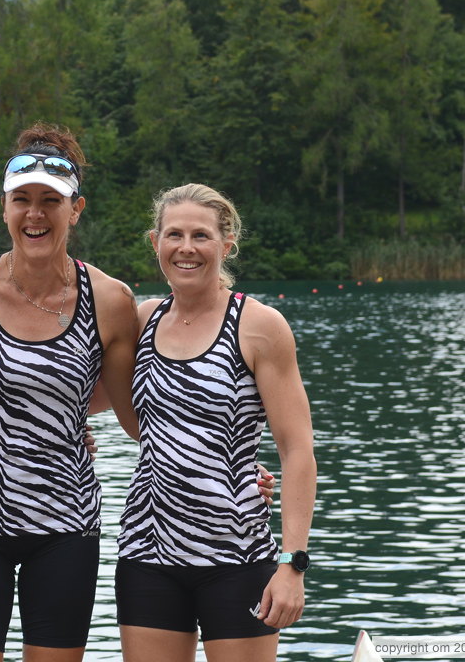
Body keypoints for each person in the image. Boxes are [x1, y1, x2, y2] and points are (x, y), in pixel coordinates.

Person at [0, 123, 141, 662]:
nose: (35, 214)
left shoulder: (110, 300)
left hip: (66, 517)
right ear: (4, 207)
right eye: (22, 201)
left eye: (49, 202)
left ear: (76, 208)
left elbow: (135, 414)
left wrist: (231, 465)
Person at [115, 183, 316, 662]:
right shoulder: (142, 320)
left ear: (226, 245)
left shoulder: (259, 325)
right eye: (175, 235)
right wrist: (71, 429)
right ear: (155, 242)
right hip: (148, 553)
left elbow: (297, 451)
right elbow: (108, 404)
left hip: (237, 557)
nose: (186, 248)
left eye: (201, 236)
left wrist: (292, 564)